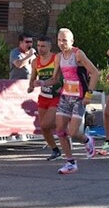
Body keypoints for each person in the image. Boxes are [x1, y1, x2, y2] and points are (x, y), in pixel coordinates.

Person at [39, 28, 99, 174]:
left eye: (65, 40)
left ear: (72, 41)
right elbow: (55, 79)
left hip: (79, 98)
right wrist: (40, 83)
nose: (61, 43)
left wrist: (88, 95)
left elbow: (95, 73)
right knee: (60, 130)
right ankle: (71, 162)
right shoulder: (59, 57)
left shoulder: (78, 54)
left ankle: (87, 140)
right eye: (59, 40)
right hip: (65, 97)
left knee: (73, 132)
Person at [28, 36, 62, 160]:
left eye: (43, 46)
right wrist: (31, 86)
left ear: (49, 47)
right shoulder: (35, 61)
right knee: (43, 127)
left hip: (56, 96)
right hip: (44, 96)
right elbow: (33, 77)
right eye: (38, 46)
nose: (40, 48)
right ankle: (55, 150)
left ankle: (66, 126)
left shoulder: (56, 58)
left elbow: (58, 78)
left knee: (47, 124)